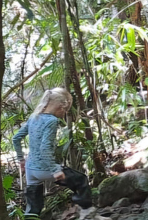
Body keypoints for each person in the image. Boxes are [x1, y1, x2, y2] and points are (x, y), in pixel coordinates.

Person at [12, 88, 92, 218]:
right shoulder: (52, 121)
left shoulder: (34, 117)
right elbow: (45, 148)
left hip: (30, 170)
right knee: (81, 180)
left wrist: (21, 160)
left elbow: (16, 138)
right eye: (65, 110)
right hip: (44, 169)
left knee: (33, 206)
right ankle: (88, 214)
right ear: (60, 107)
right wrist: (54, 169)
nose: (64, 113)